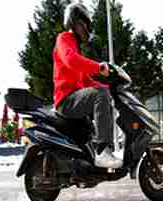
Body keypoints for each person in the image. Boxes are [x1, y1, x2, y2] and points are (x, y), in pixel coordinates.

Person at [54, 2, 123, 170]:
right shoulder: (64, 39)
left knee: (102, 93)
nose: (86, 28)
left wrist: (110, 88)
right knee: (100, 94)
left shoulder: (75, 48)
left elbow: (86, 82)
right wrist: (98, 67)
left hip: (75, 99)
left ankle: (91, 161)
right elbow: (71, 61)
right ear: (74, 22)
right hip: (66, 101)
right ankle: (102, 151)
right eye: (83, 23)